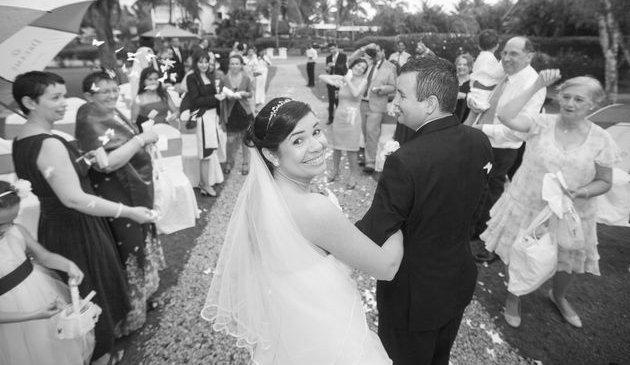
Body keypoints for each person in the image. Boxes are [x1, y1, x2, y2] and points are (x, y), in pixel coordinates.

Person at [201, 97, 403, 364]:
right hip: (327, 334)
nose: (317, 145)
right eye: (298, 140)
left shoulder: (259, 198)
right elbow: (386, 268)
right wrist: (398, 216)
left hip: (291, 331)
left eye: (316, 131)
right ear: (272, 154)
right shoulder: (312, 208)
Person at [356, 57, 493, 365]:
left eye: (402, 95)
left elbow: (376, 229)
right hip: (456, 280)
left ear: (430, 103)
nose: (395, 101)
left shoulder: (406, 161)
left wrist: (323, 238)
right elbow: (475, 208)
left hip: (412, 297)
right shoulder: (480, 141)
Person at [12, 71, 156, 365]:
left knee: (82, 292)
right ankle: (101, 356)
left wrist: (85, 161)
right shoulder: (48, 143)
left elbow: (48, 182)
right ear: (29, 101)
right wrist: (128, 211)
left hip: (53, 226)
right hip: (78, 228)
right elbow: (74, 198)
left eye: (64, 95)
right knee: (93, 292)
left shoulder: (21, 140)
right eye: (55, 97)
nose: (65, 103)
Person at [481, 72, 621, 329]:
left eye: (579, 99)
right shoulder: (541, 123)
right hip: (529, 207)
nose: (570, 103)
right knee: (521, 254)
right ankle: (514, 297)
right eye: (566, 97)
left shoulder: (602, 139)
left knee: (566, 259)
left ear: (593, 104)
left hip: (571, 213)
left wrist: (583, 192)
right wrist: (536, 85)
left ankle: (558, 296)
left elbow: (604, 181)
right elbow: (506, 115)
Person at [76, 71, 166, 334]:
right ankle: (129, 316)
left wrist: (141, 137)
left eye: (115, 89)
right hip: (116, 193)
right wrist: (140, 139)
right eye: (104, 91)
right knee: (128, 248)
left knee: (139, 240)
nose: (112, 95)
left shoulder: (110, 112)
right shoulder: (89, 117)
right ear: (88, 95)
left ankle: (143, 299)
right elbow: (107, 164)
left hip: (133, 186)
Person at [0, 179, 94, 365]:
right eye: (1, 223)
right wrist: (33, 315)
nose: (8, 227)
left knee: (54, 348)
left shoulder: (15, 231)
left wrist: (67, 265)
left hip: (40, 296)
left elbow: (43, 256)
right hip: (12, 317)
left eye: (13, 220)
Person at [470, 36, 547, 261]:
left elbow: (521, 129)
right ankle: (473, 230)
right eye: (504, 52)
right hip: (486, 140)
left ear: (529, 56)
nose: (505, 58)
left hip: (503, 147)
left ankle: (485, 240)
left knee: (491, 193)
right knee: (479, 187)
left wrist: (485, 129)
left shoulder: (531, 85)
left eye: (513, 53)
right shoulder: (507, 75)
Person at [319, 58, 369, 189]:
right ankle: (335, 171)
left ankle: (353, 175)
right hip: (340, 117)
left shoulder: (363, 81)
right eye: (358, 65)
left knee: (351, 150)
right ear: (353, 65)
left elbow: (355, 93)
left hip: (352, 119)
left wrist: (347, 80)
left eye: (363, 68)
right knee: (337, 147)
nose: (360, 68)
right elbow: (322, 76)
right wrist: (341, 77)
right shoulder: (344, 78)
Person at [349, 43, 397, 174]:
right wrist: (363, 48)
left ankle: (370, 162)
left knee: (372, 132)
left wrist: (381, 89)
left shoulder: (390, 67)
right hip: (362, 102)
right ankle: (367, 156)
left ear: (383, 51)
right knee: (364, 131)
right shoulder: (367, 62)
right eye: (374, 51)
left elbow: (393, 86)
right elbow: (351, 60)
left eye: (377, 51)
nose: (375, 53)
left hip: (377, 104)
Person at [186, 50, 225, 196]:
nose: (204, 64)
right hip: (202, 118)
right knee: (205, 152)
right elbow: (195, 101)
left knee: (210, 150)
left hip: (212, 117)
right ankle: (204, 184)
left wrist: (219, 97)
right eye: (200, 61)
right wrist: (215, 98)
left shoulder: (210, 76)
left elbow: (212, 98)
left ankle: (205, 182)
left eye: (206, 61)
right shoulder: (192, 78)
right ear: (196, 63)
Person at [220, 54, 253, 175]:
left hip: (244, 112)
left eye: (237, 63)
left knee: (245, 140)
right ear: (229, 65)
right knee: (229, 141)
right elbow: (220, 94)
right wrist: (226, 95)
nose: (234, 66)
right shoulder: (224, 79)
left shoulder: (246, 78)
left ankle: (245, 163)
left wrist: (245, 93)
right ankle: (228, 161)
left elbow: (250, 94)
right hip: (231, 113)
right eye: (232, 63)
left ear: (241, 65)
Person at [466, 29, 504, 120]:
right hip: (483, 94)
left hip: (476, 91)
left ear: (479, 46)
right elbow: (497, 74)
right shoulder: (490, 58)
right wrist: (502, 62)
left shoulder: (480, 57)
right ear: (497, 45)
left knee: (471, 120)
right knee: (475, 121)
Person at [131, 66, 179, 131]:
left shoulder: (165, 95)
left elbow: (176, 111)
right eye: (150, 79)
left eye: (156, 79)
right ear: (143, 82)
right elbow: (133, 122)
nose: (154, 82)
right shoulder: (138, 99)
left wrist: (175, 115)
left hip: (166, 129)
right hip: (148, 132)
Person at [325, 42, 348, 125]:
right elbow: (328, 71)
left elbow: (343, 68)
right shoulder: (328, 58)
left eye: (333, 48)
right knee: (331, 101)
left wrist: (334, 64)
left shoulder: (343, 56)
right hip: (331, 82)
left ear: (337, 47)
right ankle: (330, 118)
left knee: (338, 101)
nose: (332, 51)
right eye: (330, 49)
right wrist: (327, 68)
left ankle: (340, 119)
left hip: (340, 82)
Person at [454, 53, 474, 122]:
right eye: (459, 64)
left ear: (470, 67)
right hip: (450, 120)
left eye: (465, 65)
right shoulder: (451, 80)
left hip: (466, 120)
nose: (461, 67)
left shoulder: (474, 82)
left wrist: (464, 96)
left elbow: (476, 101)